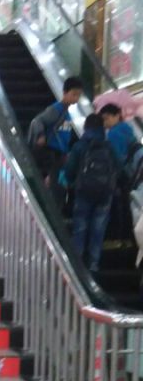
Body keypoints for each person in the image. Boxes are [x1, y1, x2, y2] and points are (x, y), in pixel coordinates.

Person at [63, 114, 117, 273]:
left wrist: (72, 182)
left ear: (86, 127)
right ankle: (93, 264)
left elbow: (69, 170)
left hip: (84, 192)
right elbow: (119, 166)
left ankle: (78, 265)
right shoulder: (108, 146)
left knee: (80, 226)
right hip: (105, 194)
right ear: (102, 127)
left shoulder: (80, 146)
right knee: (98, 229)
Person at [27, 76, 83, 209]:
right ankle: (53, 212)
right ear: (65, 93)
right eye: (74, 94)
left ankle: (54, 209)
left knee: (58, 184)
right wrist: (41, 135)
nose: (76, 98)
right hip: (52, 152)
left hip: (60, 154)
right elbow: (38, 121)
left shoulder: (66, 112)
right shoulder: (56, 109)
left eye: (78, 95)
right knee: (56, 186)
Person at [100, 103, 139, 241]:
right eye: (103, 119)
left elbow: (117, 158)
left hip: (124, 175)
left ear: (117, 116)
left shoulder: (113, 133)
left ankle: (125, 235)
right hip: (135, 172)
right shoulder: (128, 128)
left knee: (124, 205)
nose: (105, 122)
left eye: (107, 118)